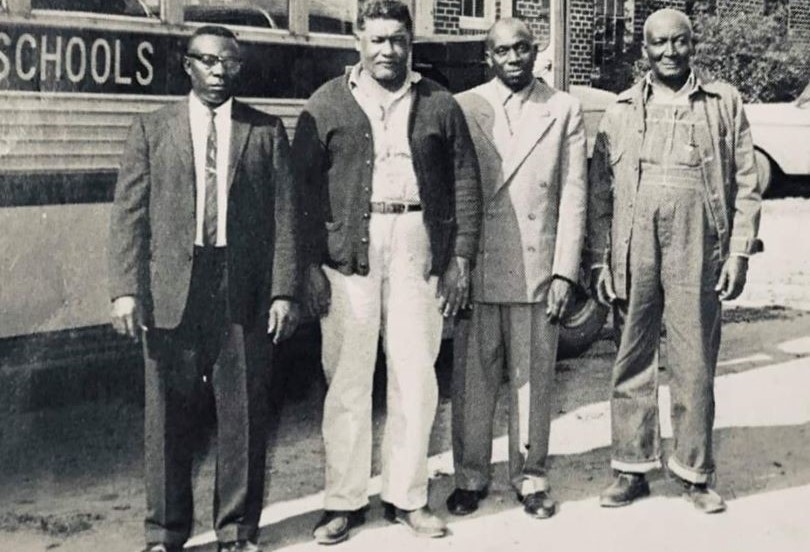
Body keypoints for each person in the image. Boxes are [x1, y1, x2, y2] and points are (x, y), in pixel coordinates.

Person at [292, 0, 481, 543]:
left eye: (397, 39)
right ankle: (343, 501)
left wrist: (459, 258)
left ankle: (408, 497)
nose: (387, 50)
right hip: (348, 252)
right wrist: (307, 265)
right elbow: (301, 191)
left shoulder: (438, 102)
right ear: (358, 41)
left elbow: (465, 181)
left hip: (418, 243)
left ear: (410, 42)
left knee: (415, 376)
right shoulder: (328, 102)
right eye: (377, 39)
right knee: (347, 380)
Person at [108, 25, 300, 552]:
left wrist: (284, 292)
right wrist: (125, 289)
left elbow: (286, 218)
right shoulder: (151, 129)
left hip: (240, 288)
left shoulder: (264, 131)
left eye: (229, 64)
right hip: (171, 288)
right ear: (187, 65)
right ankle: (165, 533)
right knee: (167, 418)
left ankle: (236, 532)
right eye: (208, 62)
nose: (219, 72)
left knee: (242, 414)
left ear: (239, 68)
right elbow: (129, 216)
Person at [588, 8, 762, 514]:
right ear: (645, 50)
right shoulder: (621, 109)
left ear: (693, 45)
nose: (669, 52)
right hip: (633, 244)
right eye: (658, 44)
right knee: (631, 356)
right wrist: (601, 261)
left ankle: (694, 472)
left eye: (678, 43)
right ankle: (630, 467)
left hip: (698, 244)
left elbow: (747, 185)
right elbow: (601, 192)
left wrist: (738, 252)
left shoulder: (723, 103)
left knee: (694, 360)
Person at [446, 18, 588, 520]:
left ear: (536, 53)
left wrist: (565, 272)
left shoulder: (563, 109)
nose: (514, 58)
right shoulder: (464, 106)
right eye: (503, 50)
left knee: (533, 378)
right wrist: (453, 264)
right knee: (472, 378)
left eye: (523, 48)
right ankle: (470, 476)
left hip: (536, 266)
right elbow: (452, 190)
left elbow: (573, 195)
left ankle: (531, 476)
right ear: (488, 57)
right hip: (478, 264)